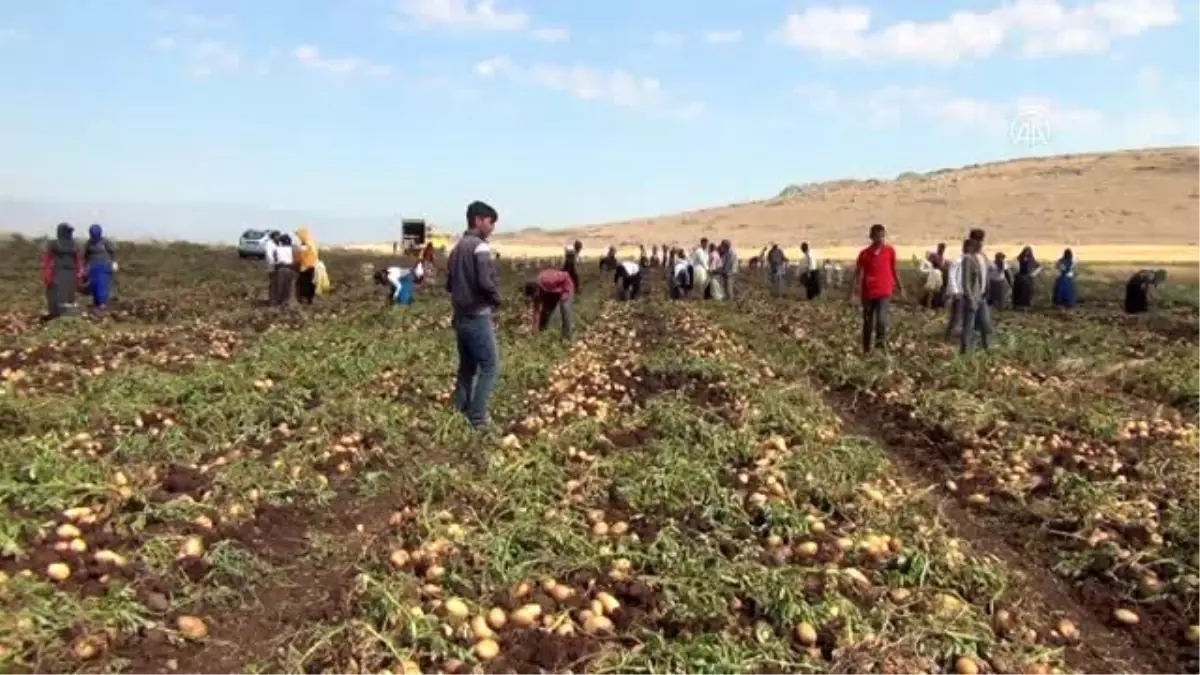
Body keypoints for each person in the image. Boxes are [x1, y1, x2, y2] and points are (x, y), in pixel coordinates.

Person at [446, 200, 502, 431]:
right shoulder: (480, 247)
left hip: (460, 316)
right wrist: (495, 298)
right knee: (490, 366)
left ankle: (459, 408)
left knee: (467, 366)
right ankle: (477, 417)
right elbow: (484, 281)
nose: (492, 228)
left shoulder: (457, 248)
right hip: (477, 315)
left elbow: (449, 284)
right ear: (478, 220)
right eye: (490, 222)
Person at [849, 224, 903, 354]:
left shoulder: (890, 251)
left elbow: (894, 269)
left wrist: (901, 287)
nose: (880, 239)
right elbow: (858, 273)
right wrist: (852, 292)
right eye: (877, 237)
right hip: (868, 293)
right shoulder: (864, 254)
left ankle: (879, 349)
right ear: (871, 237)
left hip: (884, 292)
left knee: (881, 321)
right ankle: (866, 350)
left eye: (882, 236)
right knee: (868, 323)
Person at [959, 238, 993, 354]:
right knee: (969, 327)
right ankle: (965, 352)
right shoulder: (968, 259)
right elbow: (966, 282)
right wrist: (970, 299)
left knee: (986, 325)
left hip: (982, 297)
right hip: (973, 297)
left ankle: (987, 349)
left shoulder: (982, 257)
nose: (981, 244)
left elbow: (986, 275)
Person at [43, 222, 82, 319]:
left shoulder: (74, 244)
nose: (69, 234)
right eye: (68, 231)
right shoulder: (54, 244)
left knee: (69, 294)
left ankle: (66, 315)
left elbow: (78, 259)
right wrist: (48, 273)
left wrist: (79, 272)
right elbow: (48, 259)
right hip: (58, 272)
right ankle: (55, 314)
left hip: (70, 273)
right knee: (56, 293)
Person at [525, 268, 574, 339]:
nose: (535, 299)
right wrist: (534, 331)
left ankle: (567, 337)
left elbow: (566, 276)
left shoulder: (548, 279)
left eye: (535, 296)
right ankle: (541, 334)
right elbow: (536, 313)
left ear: (537, 289)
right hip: (551, 291)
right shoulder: (537, 293)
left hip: (566, 287)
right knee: (546, 311)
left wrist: (565, 294)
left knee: (564, 308)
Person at [83, 224, 117, 310]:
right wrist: (85, 267)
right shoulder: (89, 243)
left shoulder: (105, 242)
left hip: (104, 266)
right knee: (94, 285)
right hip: (93, 267)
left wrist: (114, 262)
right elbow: (85, 256)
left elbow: (112, 252)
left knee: (102, 285)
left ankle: (103, 303)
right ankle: (96, 303)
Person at [943, 241, 966, 339]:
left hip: (965, 292)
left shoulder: (968, 261)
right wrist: (955, 291)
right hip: (959, 293)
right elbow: (951, 277)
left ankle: (957, 334)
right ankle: (949, 335)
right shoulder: (958, 262)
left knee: (962, 315)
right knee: (956, 315)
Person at [267, 233, 297, 307]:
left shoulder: (277, 249)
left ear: (281, 242)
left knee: (277, 287)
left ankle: (275, 303)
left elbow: (274, 259)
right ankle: (286, 303)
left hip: (279, 269)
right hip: (290, 269)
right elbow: (295, 260)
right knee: (288, 288)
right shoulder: (292, 249)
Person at [295, 226, 320, 305]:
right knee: (311, 283)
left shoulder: (305, 244)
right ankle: (310, 299)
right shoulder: (312, 242)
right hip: (312, 266)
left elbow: (301, 256)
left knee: (304, 284)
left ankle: (305, 299)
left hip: (305, 267)